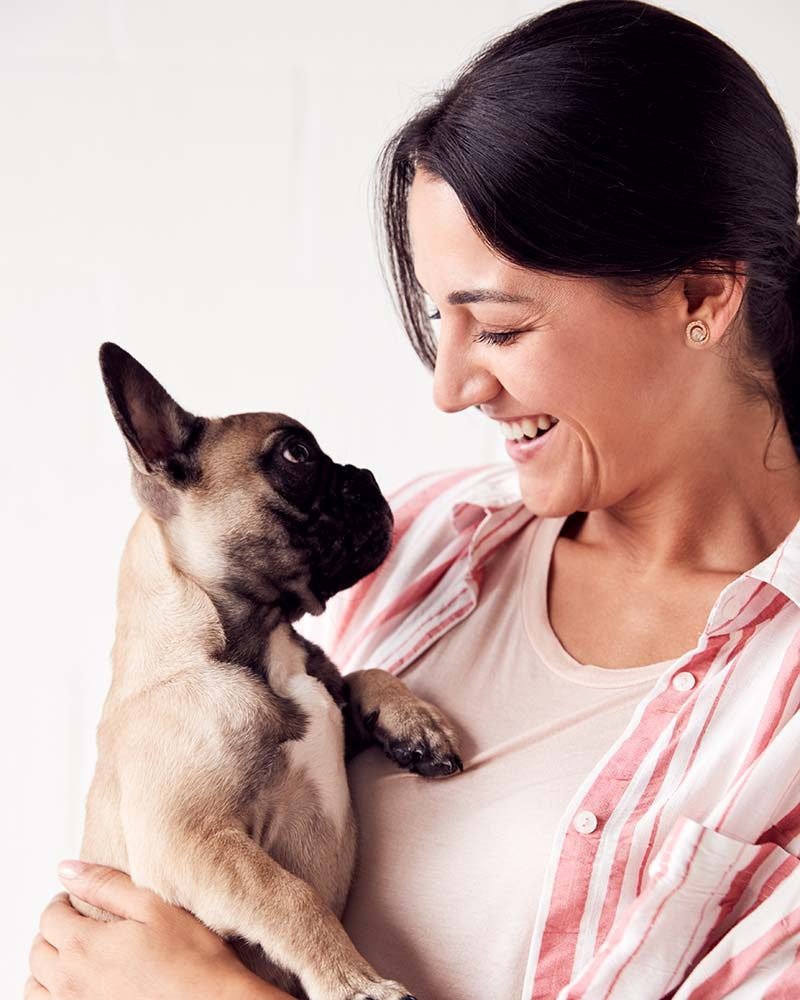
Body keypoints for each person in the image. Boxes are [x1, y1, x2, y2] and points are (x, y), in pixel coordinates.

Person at [26, 0, 800, 997]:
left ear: (702, 294)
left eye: (502, 326)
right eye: (439, 316)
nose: (449, 387)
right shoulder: (435, 541)